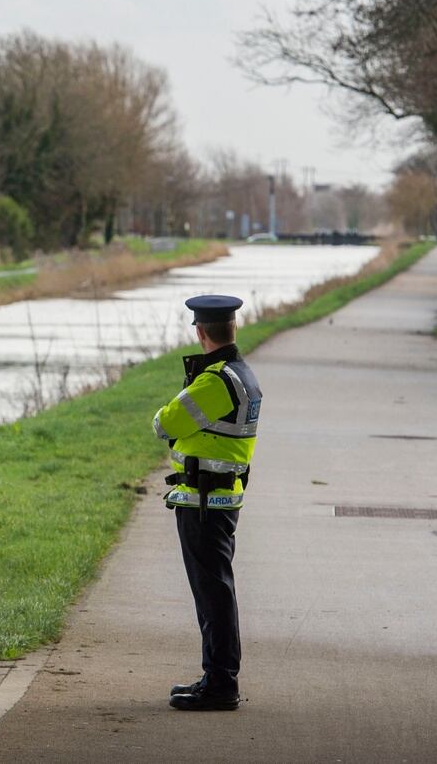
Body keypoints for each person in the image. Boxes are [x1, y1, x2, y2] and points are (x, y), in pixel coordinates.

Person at [152, 294, 263, 711]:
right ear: (232, 328)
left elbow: (166, 423)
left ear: (200, 331)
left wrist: (166, 414)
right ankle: (215, 677)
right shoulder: (244, 375)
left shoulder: (216, 381)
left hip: (205, 500)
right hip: (220, 496)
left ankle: (220, 684)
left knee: (212, 592)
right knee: (215, 589)